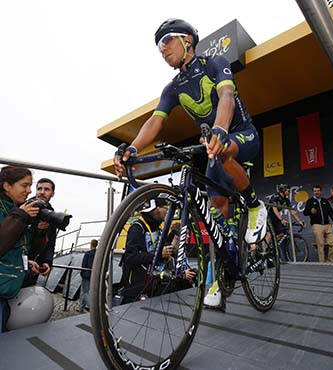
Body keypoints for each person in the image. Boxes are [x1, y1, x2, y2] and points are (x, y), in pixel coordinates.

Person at [114, 19, 267, 308]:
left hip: (241, 135)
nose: (162, 49)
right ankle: (219, 276)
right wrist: (132, 148)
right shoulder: (172, 88)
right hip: (213, 146)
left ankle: (255, 205)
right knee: (215, 217)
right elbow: (155, 120)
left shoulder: (214, 62)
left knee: (222, 151)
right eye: (158, 46)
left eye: (166, 41)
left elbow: (226, 95)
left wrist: (221, 129)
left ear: (187, 40)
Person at [0, 166, 40, 333]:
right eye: (24, 186)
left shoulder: (14, 209)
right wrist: (19, 217)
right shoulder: (15, 212)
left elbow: (15, 246)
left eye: (30, 186)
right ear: (7, 186)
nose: (29, 191)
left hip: (6, 291)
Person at [119, 199, 173, 303]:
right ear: (157, 209)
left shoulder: (157, 228)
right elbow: (130, 257)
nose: (167, 211)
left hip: (153, 283)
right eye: (165, 208)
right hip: (136, 286)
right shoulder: (137, 228)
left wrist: (167, 254)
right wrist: (159, 255)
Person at [24, 178, 57, 286]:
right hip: (19, 264)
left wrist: (47, 262)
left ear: (53, 194)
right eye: (39, 189)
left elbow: (51, 243)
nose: (42, 192)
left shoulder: (52, 216)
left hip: (36, 267)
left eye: (46, 189)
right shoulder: (25, 208)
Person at [269, 184, 305, 260]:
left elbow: (292, 211)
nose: (289, 192)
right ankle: (268, 247)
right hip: (269, 216)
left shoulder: (286, 199)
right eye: (288, 190)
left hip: (276, 217)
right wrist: (281, 219)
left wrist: (299, 221)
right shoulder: (275, 197)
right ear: (283, 190)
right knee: (270, 234)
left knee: (282, 233)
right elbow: (274, 209)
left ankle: (274, 245)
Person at [303, 185, 333, 263]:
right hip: (317, 225)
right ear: (313, 192)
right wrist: (310, 212)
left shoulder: (325, 201)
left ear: (320, 191)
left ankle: (330, 262)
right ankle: (322, 263)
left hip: (327, 225)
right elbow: (305, 212)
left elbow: (331, 212)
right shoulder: (310, 201)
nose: (317, 192)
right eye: (315, 191)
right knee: (320, 245)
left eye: (318, 191)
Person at [78, 239, 98, 312]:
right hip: (94, 275)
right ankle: (81, 308)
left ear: (91, 244)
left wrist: (82, 273)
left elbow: (84, 264)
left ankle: (92, 309)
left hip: (86, 275)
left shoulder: (88, 254)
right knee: (85, 291)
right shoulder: (97, 254)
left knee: (85, 292)